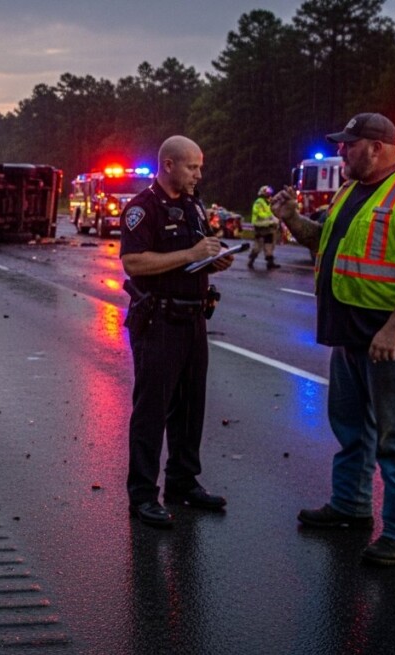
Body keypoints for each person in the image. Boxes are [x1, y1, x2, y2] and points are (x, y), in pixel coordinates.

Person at [270, 112, 395, 566]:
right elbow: (322, 243)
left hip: (394, 334)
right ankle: (350, 505)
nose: (341, 152)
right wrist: (291, 218)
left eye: (349, 145)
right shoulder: (350, 191)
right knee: (351, 426)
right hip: (351, 330)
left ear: (377, 147)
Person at [120, 135, 234, 529]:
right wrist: (191, 254)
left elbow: (193, 256)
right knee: (152, 410)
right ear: (168, 165)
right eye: (192, 167)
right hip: (159, 320)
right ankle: (142, 495)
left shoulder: (193, 205)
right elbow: (134, 262)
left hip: (193, 318)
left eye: (200, 167)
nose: (198, 174)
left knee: (190, 407)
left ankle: (183, 481)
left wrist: (213, 261)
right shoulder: (143, 208)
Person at [248, 185, 281, 270]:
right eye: (268, 193)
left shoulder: (267, 203)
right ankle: (251, 260)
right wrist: (271, 219)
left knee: (269, 244)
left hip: (267, 227)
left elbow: (270, 214)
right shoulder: (259, 202)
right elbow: (260, 214)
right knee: (258, 244)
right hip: (260, 226)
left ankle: (270, 262)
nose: (270, 195)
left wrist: (275, 221)